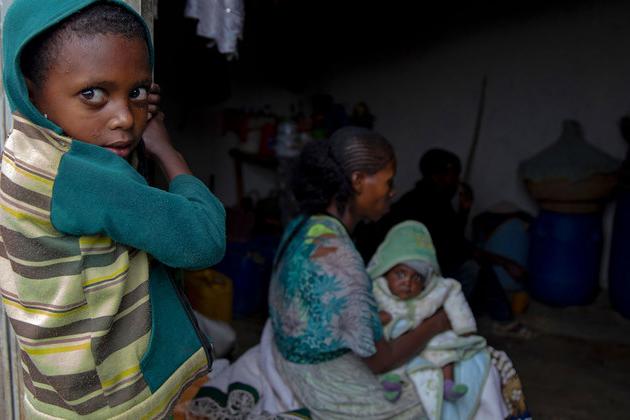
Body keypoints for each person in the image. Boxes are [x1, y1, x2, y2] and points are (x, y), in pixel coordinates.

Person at [0, 1, 226, 418]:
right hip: (118, 403)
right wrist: (166, 150)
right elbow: (204, 239)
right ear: (31, 90)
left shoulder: (26, 150)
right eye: (92, 94)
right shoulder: (82, 178)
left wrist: (113, 99)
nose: (124, 118)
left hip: (59, 396)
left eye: (136, 91)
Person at [356, 148, 531, 338]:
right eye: (453, 174)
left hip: (429, 266)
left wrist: (464, 211)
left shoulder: (437, 199)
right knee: (473, 268)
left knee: (475, 269)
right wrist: (505, 262)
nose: (457, 180)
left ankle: (497, 319)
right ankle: (445, 323)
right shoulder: (421, 202)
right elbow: (456, 247)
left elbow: (453, 240)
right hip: (413, 274)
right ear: (437, 175)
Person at [368, 221, 494, 419]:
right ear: (385, 272)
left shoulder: (435, 291)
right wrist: (379, 318)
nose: (408, 282)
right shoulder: (377, 291)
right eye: (400, 274)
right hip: (395, 340)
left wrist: (465, 327)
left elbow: (455, 298)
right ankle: (391, 382)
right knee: (386, 351)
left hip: (426, 338)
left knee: (446, 349)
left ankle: (448, 384)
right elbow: (363, 315)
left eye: (417, 278)